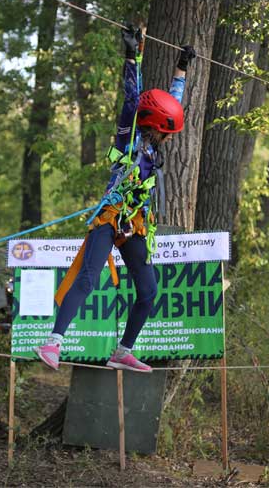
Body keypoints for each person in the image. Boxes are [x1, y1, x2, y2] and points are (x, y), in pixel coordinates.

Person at [34, 26, 195, 373]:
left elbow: (173, 101)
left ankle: (123, 351)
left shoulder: (157, 140)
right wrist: (131, 55)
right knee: (88, 278)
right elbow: (132, 97)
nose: (166, 138)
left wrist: (182, 67)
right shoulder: (128, 135)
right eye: (163, 131)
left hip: (136, 223)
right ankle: (53, 342)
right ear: (151, 125)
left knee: (149, 292)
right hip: (110, 216)